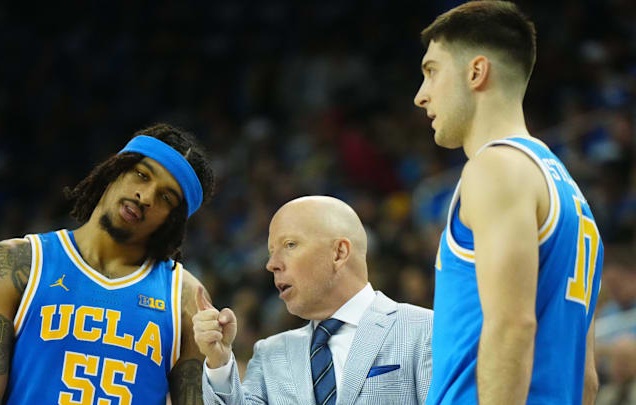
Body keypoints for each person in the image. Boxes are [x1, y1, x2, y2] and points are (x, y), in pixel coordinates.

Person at [413, 2, 603, 404]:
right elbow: (586, 379)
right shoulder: (570, 191)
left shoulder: (495, 169)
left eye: (431, 72)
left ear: (476, 72)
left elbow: (512, 327)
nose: (421, 96)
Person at [0, 123, 215, 404]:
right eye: (141, 175)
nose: (146, 196)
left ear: (173, 220)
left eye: (166, 197)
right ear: (115, 169)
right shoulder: (17, 264)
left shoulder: (187, 299)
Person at [193, 196, 433, 405]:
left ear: (339, 253)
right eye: (270, 252)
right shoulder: (270, 353)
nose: (271, 264)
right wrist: (220, 361)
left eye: (290, 245)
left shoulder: (424, 330)